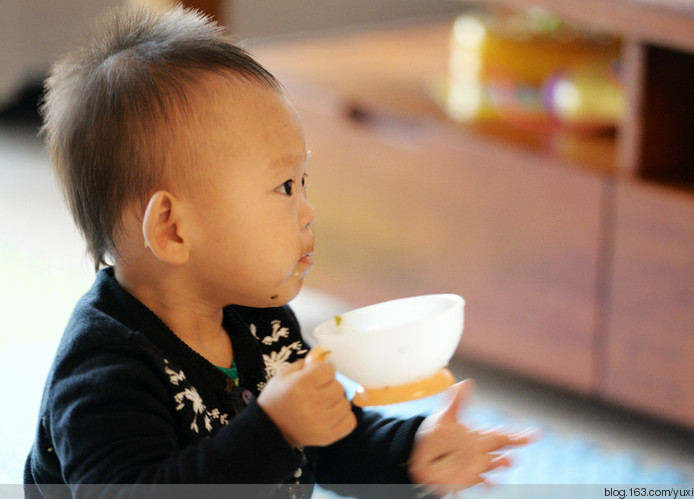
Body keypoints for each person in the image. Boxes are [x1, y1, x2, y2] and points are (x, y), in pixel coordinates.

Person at [24, 6, 533, 498]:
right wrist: (273, 431)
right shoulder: (104, 374)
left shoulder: (260, 321)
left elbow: (331, 440)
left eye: (302, 181)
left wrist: (411, 454)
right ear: (174, 229)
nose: (309, 210)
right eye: (285, 187)